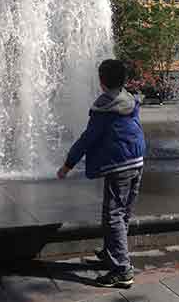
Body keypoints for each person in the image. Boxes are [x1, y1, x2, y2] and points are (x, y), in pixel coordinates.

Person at [57, 59, 145, 289]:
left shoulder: (104, 109)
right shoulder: (130, 99)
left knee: (113, 215)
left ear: (101, 81)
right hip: (137, 161)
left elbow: (87, 139)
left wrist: (67, 164)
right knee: (123, 212)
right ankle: (112, 252)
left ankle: (121, 270)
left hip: (120, 166)